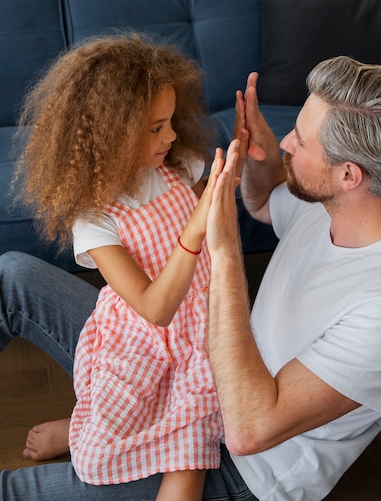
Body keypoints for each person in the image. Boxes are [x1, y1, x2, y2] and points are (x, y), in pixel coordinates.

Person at [2, 54, 381, 500]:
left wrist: (217, 248)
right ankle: (107, 420)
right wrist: (260, 156)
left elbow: (250, 429)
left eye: (301, 140)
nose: (286, 143)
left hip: (243, 462)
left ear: (349, 175)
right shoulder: (333, 206)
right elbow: (264, 202)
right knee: (12, 274)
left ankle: (124, 430)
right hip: (182, 351)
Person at [7, 33, 225, 501]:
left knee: (190, 462)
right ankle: (79, 429)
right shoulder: (96, 216)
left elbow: (213, 192)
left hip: (200, 336)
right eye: (154, 128)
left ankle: (75, 427)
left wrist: (243, 157)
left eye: (170, 122)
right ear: (110, 135)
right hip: (142, 340)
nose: (169, 135)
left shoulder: (177, 164)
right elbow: (153, 307)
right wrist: (194, 231)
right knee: (115, 439)